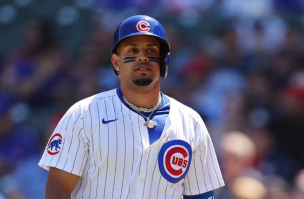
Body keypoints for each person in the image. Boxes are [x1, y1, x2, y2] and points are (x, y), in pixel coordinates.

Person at [39, 15, 224, 199]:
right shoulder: (83, 114)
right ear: (116, 63)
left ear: (165, 63)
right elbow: (58, 188)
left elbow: (201, 195)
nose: (142, 58)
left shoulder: (191, 122)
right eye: (132, 51)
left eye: (151, 51)